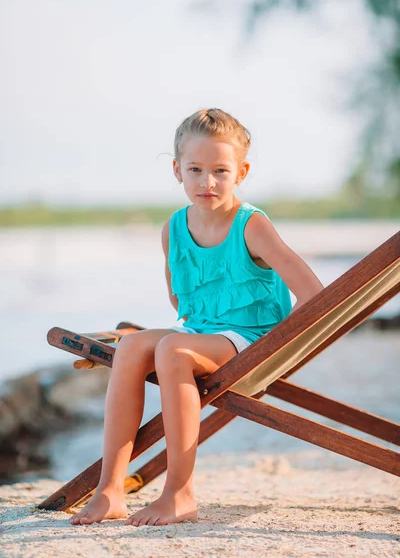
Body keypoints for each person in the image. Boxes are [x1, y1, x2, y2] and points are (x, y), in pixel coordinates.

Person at [69, 107, 324, 528]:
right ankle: (110, 489)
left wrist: (274, 352)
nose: (207, 182)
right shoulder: (174, 228)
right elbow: (181, 302)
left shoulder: (252, 226)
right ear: (177, 170)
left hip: (250, 336)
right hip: (200, 331)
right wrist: (192, 329)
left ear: (241, 172)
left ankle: (179, 493)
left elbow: (314, 294)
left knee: (173, 348)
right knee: (132, 345)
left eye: (221, 170)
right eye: (196, 169)